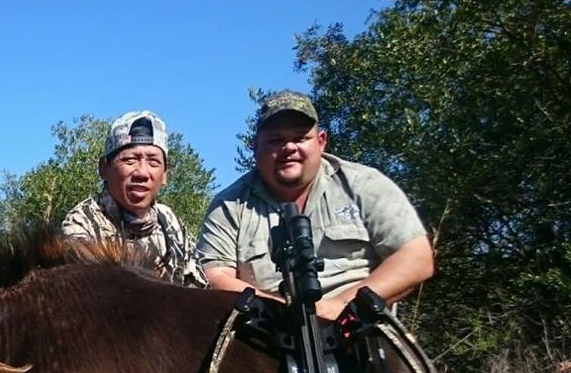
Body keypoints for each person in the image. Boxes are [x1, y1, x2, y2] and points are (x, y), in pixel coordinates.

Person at [196, 90, 434, 319]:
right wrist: (281, 310)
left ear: (321, 142)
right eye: (275, 140)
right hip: (263, 330)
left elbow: (416, 257)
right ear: (255, 147)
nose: (289, 148)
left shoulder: (365, 184)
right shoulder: (229, 204)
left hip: (361, 326)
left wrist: (341, 305)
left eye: (301, 137)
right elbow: (215, 276)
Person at [62, 110, 208, 288]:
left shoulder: (171, 222)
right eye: (130, 160)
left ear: (164, 176)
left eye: (153, 162)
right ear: (103, 169)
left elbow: (197, 292)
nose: (142, 173)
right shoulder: (81, 225)